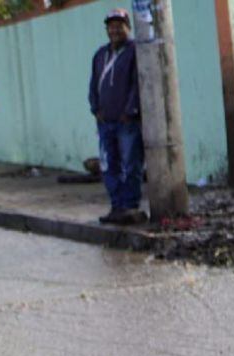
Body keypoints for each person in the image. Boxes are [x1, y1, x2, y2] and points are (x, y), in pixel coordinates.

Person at [89, 8, 145, 225]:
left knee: (131, 164)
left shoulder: (134, 51)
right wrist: (96, 109)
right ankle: (116, 206)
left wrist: (130, 111)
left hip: (127, 122)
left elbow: (137, 84)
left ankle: (130, 206)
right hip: (105, 122)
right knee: (108, 166)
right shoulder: (100, 55)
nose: (115, 30)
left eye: (119, 25)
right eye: (111, 26)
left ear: (127, 28)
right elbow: (93, 85)